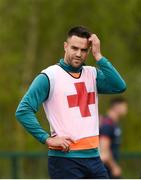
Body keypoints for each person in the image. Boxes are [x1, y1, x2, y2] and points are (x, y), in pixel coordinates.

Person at [15, 26, 127, 179]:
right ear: (65, 46)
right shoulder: (49, 76)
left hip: (94, 158)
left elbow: (119, 86)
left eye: (83, 50)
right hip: (64, 161)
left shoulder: (92, 74)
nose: (79, 54)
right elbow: (23, 110)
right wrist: (46, 138)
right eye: (74, 48)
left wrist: (98, 55)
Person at [99, 97, 128, 179]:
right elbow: (104, 150)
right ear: (118, 107)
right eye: (125, 107)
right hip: (106, 169)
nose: (126, 109)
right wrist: (114, 167)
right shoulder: (107, 124)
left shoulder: (114, 123)